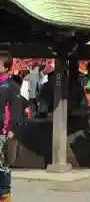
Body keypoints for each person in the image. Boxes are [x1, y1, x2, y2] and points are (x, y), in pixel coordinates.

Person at [0, 54, 23, 201]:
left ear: (6, 67)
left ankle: (5, 193)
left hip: (2, 131)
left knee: (2, 164)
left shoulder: (11, 86)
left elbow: (16, 108)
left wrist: (12, 128)